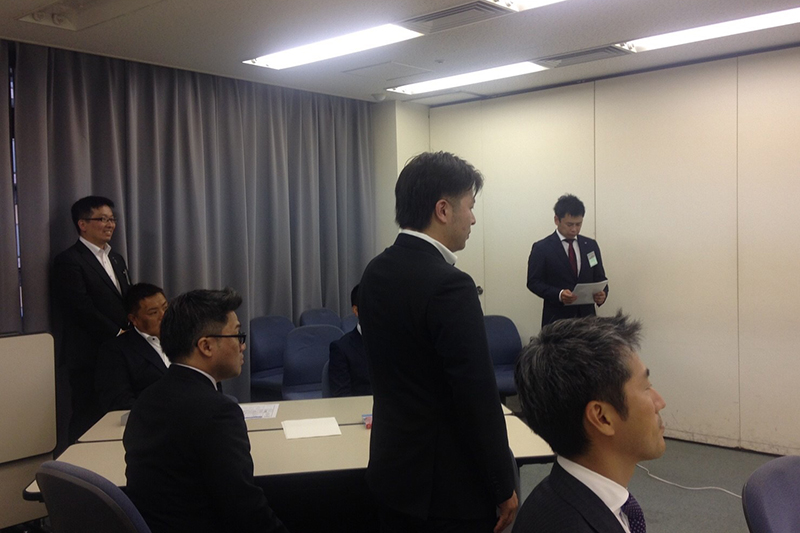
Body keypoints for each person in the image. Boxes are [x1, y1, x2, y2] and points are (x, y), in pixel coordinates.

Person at [359, 151, 518, 533]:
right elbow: (477, 396)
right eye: (470, 206)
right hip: (447, 489)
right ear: (443, 210)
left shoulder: (375, 272)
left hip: (391, 472)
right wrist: (503, 482)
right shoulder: (450, 285)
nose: (473, 218)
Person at [123, 288, 288, 533]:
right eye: (237, 335)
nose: (242, 346)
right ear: (206, 346)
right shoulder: (217, 412)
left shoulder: (146, 399)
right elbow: (245, 510)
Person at [513, 313, 666, 533]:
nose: (660, 402)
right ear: (602, 418)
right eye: (646, 387)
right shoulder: (568, 524)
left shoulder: (563, 496)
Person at [52, 195, 131, 442]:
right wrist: (117, 333)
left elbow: (125, 299)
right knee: (87, 414)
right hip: (88, 353)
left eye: (112, 219)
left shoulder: (116, 258)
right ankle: (76, 462)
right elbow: (80, 308)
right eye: (102, 219)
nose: (110, 225)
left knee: (115, 413)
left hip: (119, 351)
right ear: (82, 224)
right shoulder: (69, 260)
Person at [526, 194, 607, 327]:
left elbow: (600, 278)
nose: (574, 229)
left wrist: (602, 295)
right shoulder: (542, 248)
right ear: (557, 220)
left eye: (578, 224)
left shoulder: (590, 246)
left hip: (588, 321)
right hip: (557, 321)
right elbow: (533, 282)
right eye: (569, 224)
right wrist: (559, 294)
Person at [95, 283, 169, 412]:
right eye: (153, 312)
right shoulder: (116, 351)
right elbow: (119, 401)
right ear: (134, 319)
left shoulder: (185, 339)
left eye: (165, 308)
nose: (163, 316)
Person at [328, 284, 371, 397]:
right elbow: (342, 396)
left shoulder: (392, 342)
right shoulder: (342, 349)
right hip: (359, 405)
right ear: (356, 310)